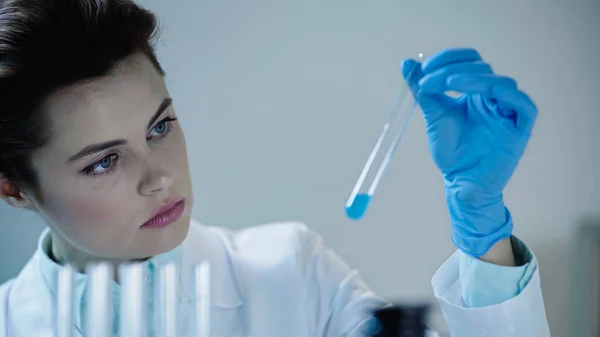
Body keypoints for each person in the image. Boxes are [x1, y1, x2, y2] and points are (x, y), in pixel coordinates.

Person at [0, 0, 550, 336]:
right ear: (15, 189)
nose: (160, 177)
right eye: (103, 162)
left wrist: (481, 225)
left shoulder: (292, 274)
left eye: (160, 127)